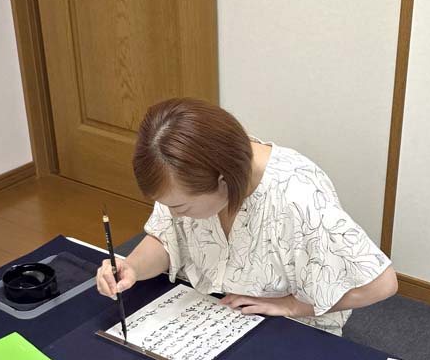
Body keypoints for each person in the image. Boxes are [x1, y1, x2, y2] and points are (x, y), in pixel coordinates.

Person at [96, 98, 397, 335]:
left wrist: (291, 306)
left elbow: (381, 283)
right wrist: (131, 267)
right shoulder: (184, 175)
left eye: (182, 207)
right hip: (210, 311)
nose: (173, 213)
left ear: (223, 181)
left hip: (284, 328)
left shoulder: (296, 198)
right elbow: (168, 237)